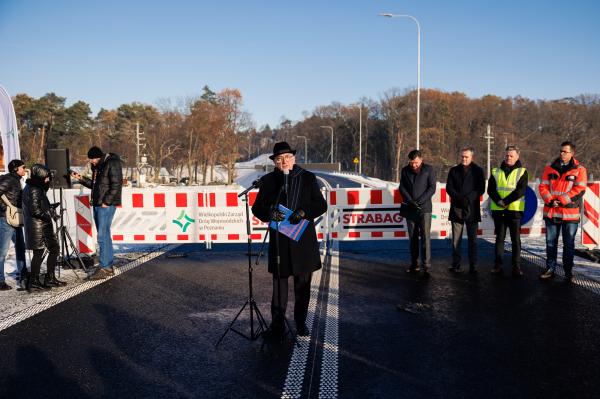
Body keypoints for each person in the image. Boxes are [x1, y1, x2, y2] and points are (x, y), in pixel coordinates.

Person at [251, 142, 327, 337]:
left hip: (302, 241)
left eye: (287, 157)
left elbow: (321, 205)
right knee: (279, 286)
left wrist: (304, 211)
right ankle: (277, 325)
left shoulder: (308, 178)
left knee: (302, 286)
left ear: (294, 158)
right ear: (275, 162)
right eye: (279, 159)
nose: (283, 161)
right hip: (280, 242)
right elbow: (257, 208)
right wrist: (270, 212)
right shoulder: (268, 181)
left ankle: (300, 322)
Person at [70, 146, 123, 280]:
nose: (91, 162)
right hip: (99, 203)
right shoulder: (99, 166)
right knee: (104, 234)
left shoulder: (111, 163)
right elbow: (96, 185)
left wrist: (107, 201)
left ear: (98, 157)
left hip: (105, 205)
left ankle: (105, 267)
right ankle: (107, 265)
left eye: (92, 159)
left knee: (102, 235)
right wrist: (81, 178)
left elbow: (116, 184)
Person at [538, 141, 587, 282]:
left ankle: (568, 271)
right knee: (550, 243)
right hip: (552, 211)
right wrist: (550, 200)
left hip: (569, 214)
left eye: (565, 151)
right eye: (561, 151)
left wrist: (560, 200)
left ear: (572, 153)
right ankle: (550, 269)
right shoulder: (549, 168)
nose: (561, 153)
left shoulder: (580, 169)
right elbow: (543, 187)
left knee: (569, 244)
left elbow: (580, 189)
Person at [22, 164, 66, 291]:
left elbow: (39, 205)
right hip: (38, 226)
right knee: (39, 253)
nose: (48, 180)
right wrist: (47, 215)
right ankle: (35, 281)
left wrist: (49, 207)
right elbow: (35, 210)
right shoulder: (34, 189)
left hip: (40, 225)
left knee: (53, 249)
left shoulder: (35, 187)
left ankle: (48, 278)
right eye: (46, 177)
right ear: (41, 176)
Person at [488, 145, 529, 277]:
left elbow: (520, 191)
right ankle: (498, 265)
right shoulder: (495, 171)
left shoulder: (522, 171)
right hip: (499, 210)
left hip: (514, 211)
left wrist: (505, 201)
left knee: (515, 240)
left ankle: (516, 267)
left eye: (511, 156)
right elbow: (491, 190)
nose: (508, 158)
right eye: (507, 155)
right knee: (499, 239)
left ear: (517, 157)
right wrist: (499, 201)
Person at [446, 147, 486, 273]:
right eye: (462, 156)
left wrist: (468, 199)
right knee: (456, 240)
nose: (464, 158)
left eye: (466, 157)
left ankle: (473, 265)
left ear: (472, 157)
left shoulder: (478, 171)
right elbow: (449, 187)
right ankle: (456, 264)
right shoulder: (453, 170)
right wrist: (458, 198)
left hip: (472, 208)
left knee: (472, 240)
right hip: (456, 208)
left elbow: (481, 189)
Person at [399, 149, 436, 276]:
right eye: (411, 162)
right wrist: (410, 201)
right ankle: (414, 264)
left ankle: (427, 266)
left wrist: (419, 201)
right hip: (410, 208)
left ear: (421, 159)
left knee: (425, 238)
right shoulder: (405, 170)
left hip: (424, 209)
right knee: (413, 238)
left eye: (415, 162)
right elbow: (402, 187)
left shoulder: (428, 169)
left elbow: (432, 188)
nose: (413, 165)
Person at [0, 159, 27, 290]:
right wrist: (4, 209)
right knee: (2, 251)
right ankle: (0, 281)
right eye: (23, 167)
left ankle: (23, 275)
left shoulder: (16, 180)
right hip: (6, 220)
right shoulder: (9, 179)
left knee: (21, 247)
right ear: (16, 169)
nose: (25, 169)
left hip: (15, 219)